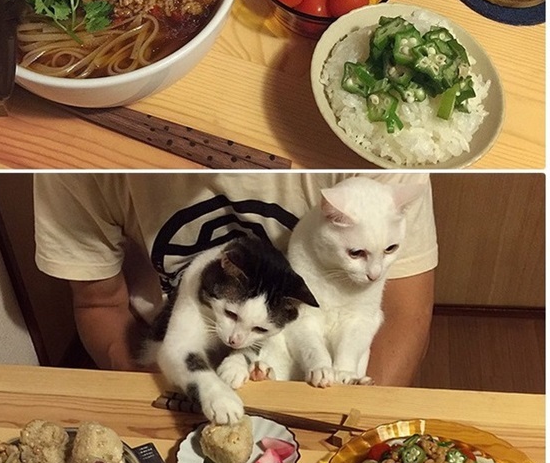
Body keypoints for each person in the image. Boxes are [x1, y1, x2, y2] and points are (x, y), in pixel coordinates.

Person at [33, 151, 440, 386]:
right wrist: (160, 392)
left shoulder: (371, 165)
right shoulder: (72, 161)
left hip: (295, 367)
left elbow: (406, 315)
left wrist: (349, 421)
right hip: (167, 359)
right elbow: (98, 305)